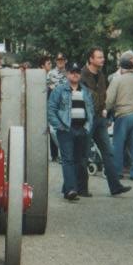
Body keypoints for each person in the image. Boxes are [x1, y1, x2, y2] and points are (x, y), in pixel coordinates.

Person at [80, 47, 131, 196]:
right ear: (91, 59)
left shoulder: (101, 75)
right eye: (99, 57)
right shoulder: (82, 75)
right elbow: (87, 97)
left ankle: (115, 187)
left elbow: (104, 95)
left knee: (108, 153)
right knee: (83, 155)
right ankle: (82, 188)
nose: (102, 59)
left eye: (102, 57)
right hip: (86, 120)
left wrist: (105, 111)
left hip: (100, 119)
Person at [47, 62, 94, 201]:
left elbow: (90, 111)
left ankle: (71, 187)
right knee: (68, 160)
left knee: (80, 160)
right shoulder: (59, 90)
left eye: (77, 72)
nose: (75, 74)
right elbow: (51, 110)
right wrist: (59, 126)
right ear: (67, 74)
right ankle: (71, 190)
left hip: (82, 130)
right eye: (72, 72)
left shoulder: (85, 91)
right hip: (66, 129)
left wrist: (87, 127)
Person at [106, 54, 133, 181]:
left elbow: (109, 100)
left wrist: (106, 110)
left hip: (123, 114)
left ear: (121, 68)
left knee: (118, 144)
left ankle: (118, 172)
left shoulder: (117, 80)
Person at [46, 53, 68, 162]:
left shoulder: (69, 74)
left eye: (62, 59)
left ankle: (63, 153)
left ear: (65, 61)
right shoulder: (50, 74)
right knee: (53, 130)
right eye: (58, 60)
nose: (60, 61)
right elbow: (45, 88)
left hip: (65, 105)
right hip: (54, 104)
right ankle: (55, 154)